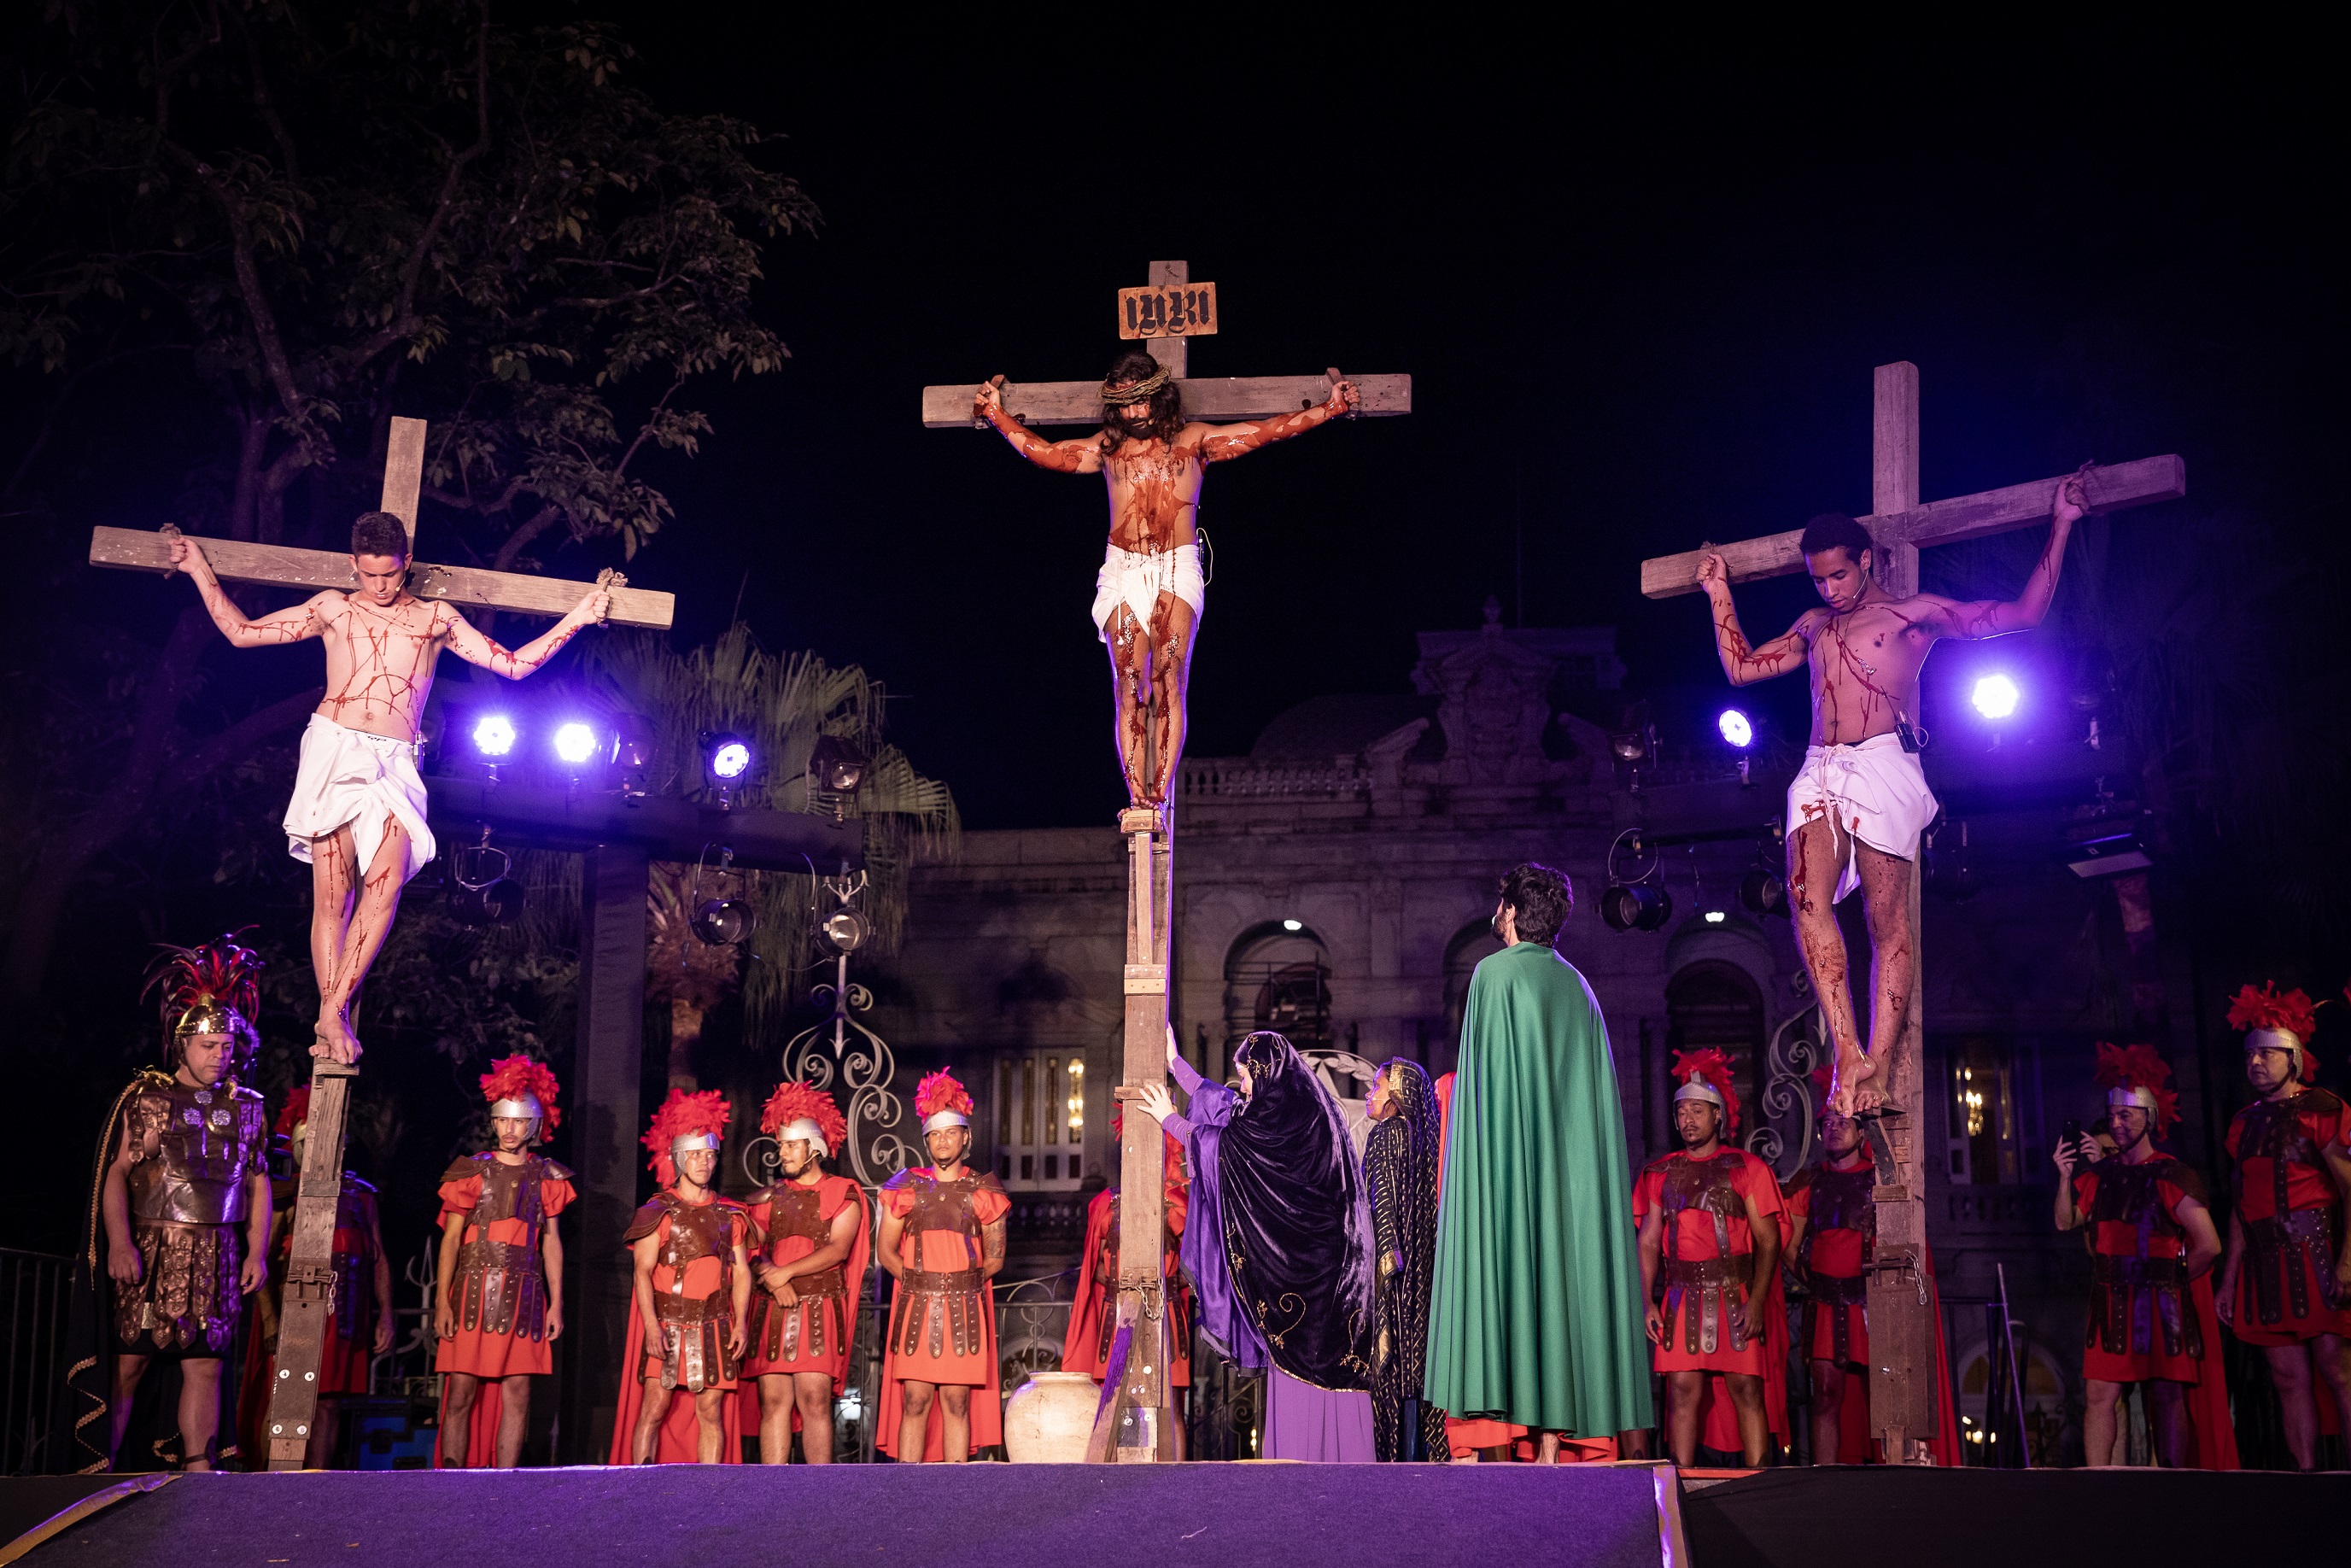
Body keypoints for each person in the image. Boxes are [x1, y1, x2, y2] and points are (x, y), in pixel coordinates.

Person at [1693, 467, 2091, 1115]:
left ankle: (1875, 1062)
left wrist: (2061, 523)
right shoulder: (1812, 625)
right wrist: (1717, 592)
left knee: (1886, 924)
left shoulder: (1912, 616)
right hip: (1819, 765)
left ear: (1866, 559)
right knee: (1805, 900)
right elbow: (1740, 668)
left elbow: (2022, 614)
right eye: (1818, 578)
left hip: (1884, 762)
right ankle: (1845, 1050)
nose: (1830, 588)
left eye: (1839, 575)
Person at [167, 514, 610, 1062]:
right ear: (355, 565)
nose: (380, 587)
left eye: (391, 575)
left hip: (396, 760)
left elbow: (514, 666)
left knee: (389, 880)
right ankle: (333, 1014)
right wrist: (196, 568)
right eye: (370, 575)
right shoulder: (334, 607)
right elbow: (241, 632)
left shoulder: (434, 618)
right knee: (333, 896)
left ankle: (332, 1010)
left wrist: (582, 616)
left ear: (407, 562)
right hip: (334, 748)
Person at [972, 352, 1359, 807]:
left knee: (1168, 677)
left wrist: (1329, 409)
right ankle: (1138, 798)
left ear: (1161, 397)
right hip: (1121, 568)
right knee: (1127, 682)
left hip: (1176, 566)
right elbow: (1049, 455)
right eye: (1126, 406)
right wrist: (995, 414)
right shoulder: (1108, 449)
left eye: (1143, 402)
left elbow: (1264, 432)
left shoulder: (1192, 442)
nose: (1136, 414)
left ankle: (1158, 794)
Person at [1424, 863, 1652, 1464]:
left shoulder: (1493, 976)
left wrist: (1479, 1173)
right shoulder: (1577, 986)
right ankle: (1550, 1448)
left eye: (1498, 905)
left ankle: (1502, 1431)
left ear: (1509, 913)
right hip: (1566, 1181)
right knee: (1557, 1280)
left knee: (1512, 1272)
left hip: (1508, 1170)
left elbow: (1485, 1092)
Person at [1133, 1029, 1377, 1460]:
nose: (1242, 1085)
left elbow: (1228, 1147)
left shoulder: (1285, 1122)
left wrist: (1169, 1119)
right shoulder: (1299, 1104)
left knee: (1308, 1364)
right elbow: (1227, 1109)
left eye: (1246, 1075)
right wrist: (1175, 1064)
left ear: (1267, 1072)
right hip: (1333, 1273)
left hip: (1315, 1279)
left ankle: (1307, 1462)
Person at [89, 936, 272, 1470]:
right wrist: (120, 1242)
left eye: (227, 1046)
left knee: (206, 1367)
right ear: (182, 1046)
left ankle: (199, 1472)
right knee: (129, 1363)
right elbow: (117, 1173)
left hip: (217, 1250)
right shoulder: (148, 1099)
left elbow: (259, 1184)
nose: (221, 1055)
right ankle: (99, 1470)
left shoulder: (248, 1110)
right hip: (153, 1247)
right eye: (210, 1046)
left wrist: (257, 1252)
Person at [2051, 1043, 2236, 1469]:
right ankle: (2098, 1482)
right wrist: (2064, 1179)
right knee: (2099, 1394)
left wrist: (2176, 1281)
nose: (2115, 1124)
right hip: (2110, 1301)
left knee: (2168, 1394)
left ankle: (2171, 1483)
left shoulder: (2173, 1173)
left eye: (2125, 1116)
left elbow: (2209, 1244)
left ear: (2148, 1118)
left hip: (2160, 1301)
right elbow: (2066, 1221)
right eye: (2112, 1115)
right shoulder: (2099, 1176)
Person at [1780, 1068, 1958, 1465]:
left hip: (1872, 1306)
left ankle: (1888, 1479)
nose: (1833, 1129)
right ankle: (1826, 1481)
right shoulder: (1811, 1182)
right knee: (1825, 1396)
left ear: (1861, 1132)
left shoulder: (1882, 1180)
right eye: (1828, 1122)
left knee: (1885, 1399)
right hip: (1826, 1305)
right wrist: (1815, 1281)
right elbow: (1787, 1244)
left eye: (1843, 1122)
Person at [2212, 984, 2351, 1469]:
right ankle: (2307, 1479)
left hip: (2317, 1252)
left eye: (2268, 1055)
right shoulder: (2242, 1123)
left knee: (2338, 1370)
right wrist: (2229, 1278)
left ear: (2293, 1058)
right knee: (2287, 1378)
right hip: (2262, 1264)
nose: (2255, 1064)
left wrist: (2348, 1263)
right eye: (2251, 1056)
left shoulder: (2323, 1109)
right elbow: (2239, 1207)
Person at [1635, 1050, 1787, 1468]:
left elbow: (1769, 1241)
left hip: (1733, 1295)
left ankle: (1758, 1485)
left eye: (1697, 1111)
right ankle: (1678, 1486)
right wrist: (1647, 1300)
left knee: (1745, 1389)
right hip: (1681, 1297)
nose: (1688, 1119)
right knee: (1681, 1391)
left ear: (1718, 1115)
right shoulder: (1658, 1173)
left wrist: (1756, 1300)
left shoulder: (1748, 1168)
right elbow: (1648, 1241)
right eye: (1681, 1111)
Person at [434, 1056, 573, 1468]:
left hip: (525, 1297)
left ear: (532, 1125)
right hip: (472, 1292)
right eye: (503, 1121)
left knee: (519, 1393)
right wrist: (442, 1301)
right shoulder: (470, 1172)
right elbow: (451, 1241)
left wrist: (557, 1303)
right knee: (460, 1390)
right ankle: (452, 1480)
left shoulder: (548, 1177)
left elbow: (552, 1243)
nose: (509, 1130)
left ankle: (506, 1482)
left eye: (518, 1122)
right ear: (494, 1121)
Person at [243, 1086, 390, 1468]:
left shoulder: (360, 1197)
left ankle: (318, 1480)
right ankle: (273, 1477)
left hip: (343, 1318)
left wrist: (386, 1314)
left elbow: (377, 1258)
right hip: (296, 1314)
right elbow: (262, 1260)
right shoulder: (284, 1196)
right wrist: (273, 1323)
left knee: (329, 1403)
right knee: (287, 1399)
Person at [610, 1089, 752, 1466]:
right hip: (669, 1324)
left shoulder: (730, 1214)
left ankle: (709, 1494)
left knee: (710, 1413)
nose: (704, 1162)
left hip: (716, 1326)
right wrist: (651, 1328)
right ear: (678, 1157)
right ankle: (639, 1490)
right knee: (654, 1410)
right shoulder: (657, 1211)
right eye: (694, 1154)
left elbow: (742, 1274)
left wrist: (740, 1325)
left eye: (709, 1155)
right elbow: (641, 1273)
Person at [874, 1070, 1009, 1461]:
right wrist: (918, 1283)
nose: (943, 1141)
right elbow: (885, 1251)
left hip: (964, 1311)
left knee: (956, 1402)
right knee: (914, 1400)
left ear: (966, 1137)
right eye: (935, 1134)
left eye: (951, 1133)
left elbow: (996, 1257)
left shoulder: (985, 1190)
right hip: (917, 1305)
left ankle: (956, 1493)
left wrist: (960, 1284)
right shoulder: (905, 1188)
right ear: (927, 1140)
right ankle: (908, 1491)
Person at [740, 1081, 869, 1466]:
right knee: (774, 1401)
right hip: (773, 1309)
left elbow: (839, 1248)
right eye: (780, 1146)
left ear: (813, 1149)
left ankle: (819, 1494)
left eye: (790, 1146)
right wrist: (770, 1275)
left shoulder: (843, 1192)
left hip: (818, 1304)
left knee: (814, 1398)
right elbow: (749, 1249)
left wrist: (785, 1273)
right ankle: (774, 1493)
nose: (782, 1154)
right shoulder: (768, 1198)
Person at [1061, 1105, 1191, 1455]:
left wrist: (1161, 1286)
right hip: (1116, 1315)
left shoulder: (1178, 1203)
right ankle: (1131, 1479)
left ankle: (1175, 1482)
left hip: (1166, 1313)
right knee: (1124, 1401)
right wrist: (1123, 1285)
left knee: (1169, 1404)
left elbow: (1193, 1263)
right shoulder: (1106, 1203)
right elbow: (1096, 1265)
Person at [1365, 1057, 1447, 1462]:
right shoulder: (1423, 1139)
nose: (1369, 1094)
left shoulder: (1383, 1135)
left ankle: (1396, 1465)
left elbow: (1381, 1203)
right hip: (1423, 1272)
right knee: (1419, 1365)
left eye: (1377, 1087)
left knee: (1390, 1366)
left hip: (1392, 1273)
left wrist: (1385, 1259)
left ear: (1395, 1097)